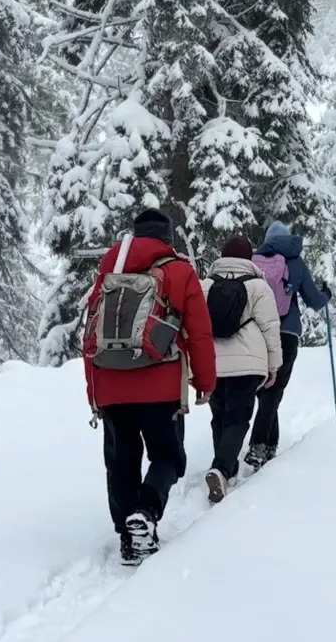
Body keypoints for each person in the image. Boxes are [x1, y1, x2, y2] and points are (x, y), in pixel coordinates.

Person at [81, 208, 216, 565]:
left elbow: (90, 332)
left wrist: (93, 394)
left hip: (110, 383)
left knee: (121, 461)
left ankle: (128, 537)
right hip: (161, 384)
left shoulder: (110, 270)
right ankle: (146, 511)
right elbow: (199, 333)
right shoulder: (179, 271)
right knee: (168, 455)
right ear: (168, 239)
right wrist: (205, 382)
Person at [200, 235, 282, 504]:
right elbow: (271, 328)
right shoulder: (259, 287)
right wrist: (274, 365)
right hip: (248, 364)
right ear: (249, 258)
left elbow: (194, 329)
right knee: (238, 418)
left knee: (219, 416)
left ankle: (226, 468)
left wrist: (193, 366)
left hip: (212, 363)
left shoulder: (205, 285)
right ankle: (222, 468)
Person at [245, 221, 331, 469]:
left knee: (265, 390)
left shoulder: (253, 260)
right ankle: (259, 446)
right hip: (287, 331)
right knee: (274, 390)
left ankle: (269, 444)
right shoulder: (296, 261)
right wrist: (327, 295)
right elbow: (315, 301)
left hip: (258, 332)